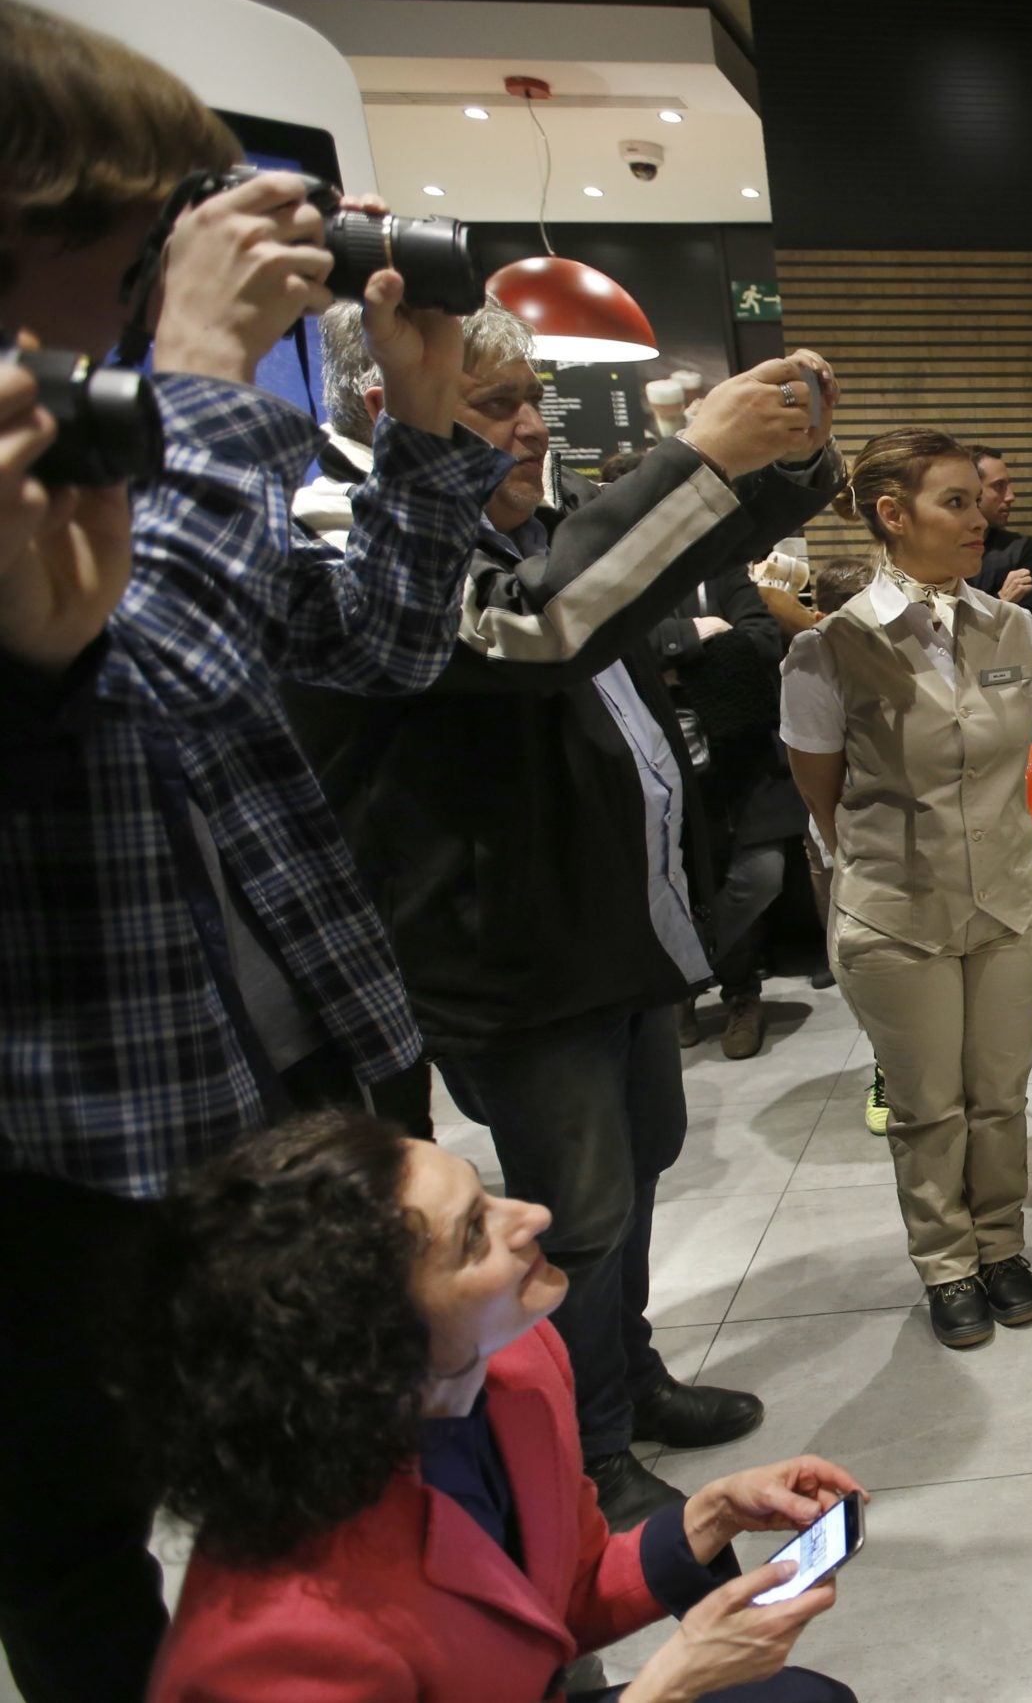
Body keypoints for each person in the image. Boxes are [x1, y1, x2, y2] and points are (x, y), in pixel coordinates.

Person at [0, 10, 511, 1696]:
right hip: (81, 1156)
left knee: (369, 1459)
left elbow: (374, 644)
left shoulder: (103, 447)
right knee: (81, 1548)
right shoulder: (122, 433)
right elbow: (166, 672)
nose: (161, 272)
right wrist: (206, 382)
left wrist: (429, 434)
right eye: (136, 231)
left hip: (303, 1068)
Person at [289, 302, 846, 1527]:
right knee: (577, 1217)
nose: (536, 424)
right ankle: (585, 1451)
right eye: (496, 403)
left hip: (616, 922)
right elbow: (536, 627)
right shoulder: (350, 535)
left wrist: (787, 454)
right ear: (395, 407)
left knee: (635, 1178)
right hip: (511, 951)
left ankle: (626, 1380)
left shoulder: (519, 516)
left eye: (534, 394)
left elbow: (666, 559)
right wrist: (695, 453)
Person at [141, 1110, 859, 1703]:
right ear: (374, 1339)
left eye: (485, 1194)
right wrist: (664, 1687)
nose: (535, 1214)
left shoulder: (518, 1361)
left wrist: (711, 1514)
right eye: (474, 1232)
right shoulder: (280, 1646)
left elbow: (555, 1593)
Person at [784, 428, 1032, 1351]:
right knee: (927, 1103)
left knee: (1000, 1093)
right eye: (956, 503)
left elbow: (1025, 762)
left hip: (1013, 900)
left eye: (978, 502)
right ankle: (947, 1261)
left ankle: (1003, 1244)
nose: (979, 519)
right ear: (893, 516)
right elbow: (822, 795)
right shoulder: (831, 648)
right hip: (899, 911)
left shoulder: (1012, 626)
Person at [647, 557, 794, 1060]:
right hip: (656, 760)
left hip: (739, 759)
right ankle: (730, 993)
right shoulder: (627, 573)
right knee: (673, 880)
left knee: (761, 873)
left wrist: (674, 662)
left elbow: (760, 641)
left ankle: (701, 973)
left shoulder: (723, 571)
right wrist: (698, 636)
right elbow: (622, 650)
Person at [779, 558, 890, 1134]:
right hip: (844, 845)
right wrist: (839, 846)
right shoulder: (812, 663)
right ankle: (885, 1067)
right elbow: (819, 787)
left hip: (906, 851)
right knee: (863, 966)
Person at [969, 444, 1032, 646]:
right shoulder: (942, 551)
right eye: (999, 486)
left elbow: (1031, 624)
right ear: (973, 491)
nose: (1011, 496)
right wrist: (1001, 601)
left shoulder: (1018, 549)